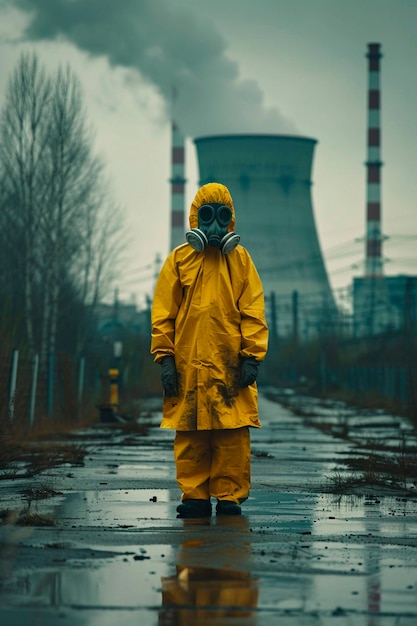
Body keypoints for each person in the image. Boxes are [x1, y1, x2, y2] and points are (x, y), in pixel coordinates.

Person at [151, 182, 268, 518]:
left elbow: (253, 311)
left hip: (231, 367)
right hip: (188, 367)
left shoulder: (241, 261)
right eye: (206, 217)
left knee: (232, 434)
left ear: (230, 221)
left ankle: (229, 496)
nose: (214, 226)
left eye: (221, 218)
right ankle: (195, 496)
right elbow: (164, 314)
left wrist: (251, 356)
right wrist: (166, 359)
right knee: (190, 433)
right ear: (194, 219)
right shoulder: (179, 260)